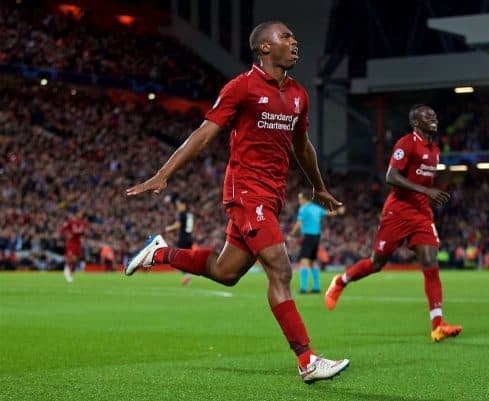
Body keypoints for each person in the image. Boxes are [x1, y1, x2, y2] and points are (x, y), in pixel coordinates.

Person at [124, 21, 349, 383]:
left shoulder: (298, 95)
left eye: (293, 36)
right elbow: (204, 133)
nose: (294, 41)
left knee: (225, 272)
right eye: (286, 36)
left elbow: (302, 147)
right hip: (246, 191)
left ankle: (160, 253)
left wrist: (318, 186)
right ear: (264, 48)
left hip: (271, 196)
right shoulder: (241, 87)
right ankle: (307, 359)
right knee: (280, 269)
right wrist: (163, 173)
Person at [324, 105, 462, 343]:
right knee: (377, 263)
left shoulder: (435, 150)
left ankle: (438, 324)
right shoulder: (406, 144)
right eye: (428, 116)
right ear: (416, 123)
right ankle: (340, 281)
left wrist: (429, 194)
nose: (434, 119)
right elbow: (391, 176)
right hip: (397, 212)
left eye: (434, 115)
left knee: (430, 262)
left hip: (421, 214)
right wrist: (425, 190)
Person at [288, 191, 345, 294]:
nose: (299, 200)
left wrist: (291, 233)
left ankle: (303, 288)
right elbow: (328, 213)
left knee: (304, 262)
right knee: (313, 262)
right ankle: (316, 287)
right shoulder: (316, 208)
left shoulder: (303, 209)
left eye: (300, 198)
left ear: (305, 199)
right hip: (316, 237)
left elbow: (299, 223)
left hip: (308, 237)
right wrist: (338, 211)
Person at [165, 197, 195, 285]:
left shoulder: (182, 214)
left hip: (183, 238)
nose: (178, 207)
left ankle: (188, 274)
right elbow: (191, 228)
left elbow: (177, 225)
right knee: (185, 258)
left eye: (179, 205)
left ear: (183, 205)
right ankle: (188, 273)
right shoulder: (190, 215)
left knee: (179, 258)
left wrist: (169, 228)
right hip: (190, 238)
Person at [60, 210, 86, 283]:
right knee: (71, 257)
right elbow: (62, 229)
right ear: (76, 215)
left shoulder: (83, 224)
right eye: (79, 214)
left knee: (75, 260)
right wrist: (66, 234)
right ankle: (66, 269)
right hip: (71, 242)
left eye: (81, 214)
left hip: (77, 243)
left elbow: (82, 233)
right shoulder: (70, 222)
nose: (80, 215)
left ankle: (70, 274)